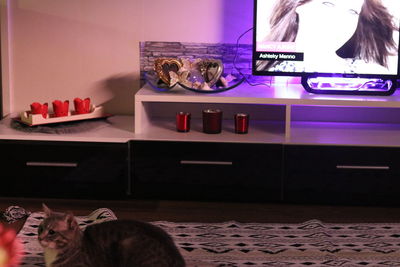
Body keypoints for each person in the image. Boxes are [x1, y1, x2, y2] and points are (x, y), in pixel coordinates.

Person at [256, 0, 399, 74]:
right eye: (328, 4)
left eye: (352, 12)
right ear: (300, 5)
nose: (340, 20)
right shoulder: (267, 76)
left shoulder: (371, 75)